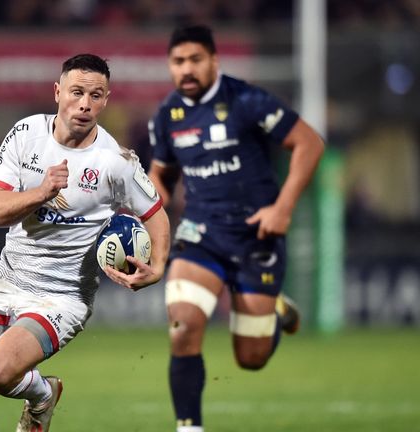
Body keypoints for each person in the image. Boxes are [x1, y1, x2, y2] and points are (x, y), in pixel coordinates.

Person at [0, 53, 171, 432]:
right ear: (57, 92)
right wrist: (41, 192)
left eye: (96, 95)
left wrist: (160, 267)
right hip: (9, 276)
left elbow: (155, 214)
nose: (85, 104)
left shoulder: (115, 161)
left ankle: (43, 395)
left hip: (63, 295)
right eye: (77, 92)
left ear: (106, 100)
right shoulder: (25, 134)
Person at [146, 25, 324, 432]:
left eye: (195, 60)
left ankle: (274, 314)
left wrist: (283, 208)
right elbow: (162, 174)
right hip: (201, 234)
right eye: (178, 62)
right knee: (184, 324)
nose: (186, 69)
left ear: (214, 61)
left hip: (256, 236)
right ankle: (189, 426)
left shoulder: (247, 100)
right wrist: (153, 214)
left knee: (251, 358)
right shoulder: (167, 115)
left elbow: (309, 143)